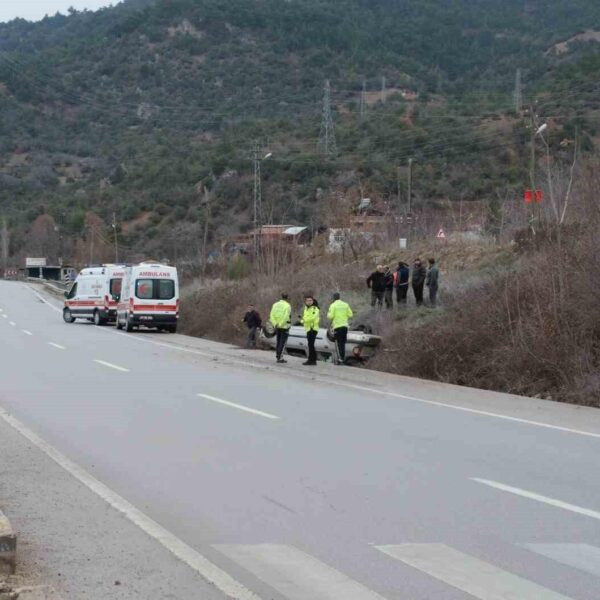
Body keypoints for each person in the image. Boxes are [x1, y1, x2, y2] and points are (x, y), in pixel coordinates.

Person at [327, 292, 353, 365]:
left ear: (333, 298)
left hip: (337, 327)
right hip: (345, 327)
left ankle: (340, 359)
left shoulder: (333, 305)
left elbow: (330, 316)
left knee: (338, 344)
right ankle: (342, 358)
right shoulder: (346, 304)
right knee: (343, 343)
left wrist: (328, 313)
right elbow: (350, 315)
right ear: (339, 297)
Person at [269, 293, 291, 363]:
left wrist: (275, 324)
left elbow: (271, 315)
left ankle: (277, 356)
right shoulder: (287, 306)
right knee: (283, 342)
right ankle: (280, 357)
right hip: (284, 326)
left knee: (278, 341)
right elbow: (286, 317)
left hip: (277, 326)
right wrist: (281, 324)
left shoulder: (275, 304)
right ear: (287, 298)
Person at [300, 295, 320, 366]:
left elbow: (312, 318)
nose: (309, 302)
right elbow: (306, 317)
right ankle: (313, 360)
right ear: (305, 301)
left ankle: (311, 360)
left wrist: (303, 321)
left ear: (313, 301)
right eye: (307, 300)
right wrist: (303, 320)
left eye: (310, 300)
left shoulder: (315, 308)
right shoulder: (306, 308)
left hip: (313, 328)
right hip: (308, 328)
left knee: (311, 345)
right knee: (310, 345)